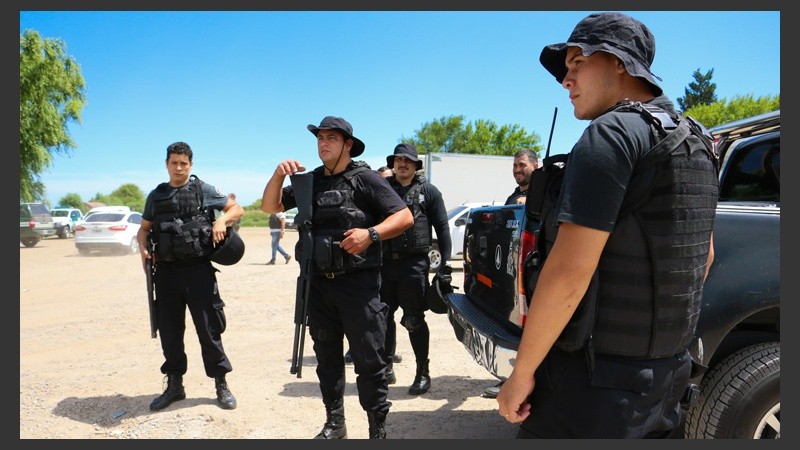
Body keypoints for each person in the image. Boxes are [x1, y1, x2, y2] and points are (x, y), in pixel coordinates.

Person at [496, 12, 718, 438]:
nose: (566, 79)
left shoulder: (612, 133)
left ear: (620, 62)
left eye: (578, 62)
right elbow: (702, 256)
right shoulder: (697, 140)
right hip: (666, 378)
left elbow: (569, 272)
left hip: (595, 385)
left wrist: (521, 373)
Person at [260, 116, 413, 439]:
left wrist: (370, 234)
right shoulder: (308, 182)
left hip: (358, 286)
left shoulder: (366, 179)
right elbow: (269, 206)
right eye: (319, 138)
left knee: (370, 360)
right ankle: (335, 422)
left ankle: (377, 427)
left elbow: (404, 216)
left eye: (330, 137)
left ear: (347, 144)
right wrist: (277, 175)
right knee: (327, 359)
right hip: (318, 285)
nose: (323, 143)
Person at [137, 141, 245, 412]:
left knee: (209, 330)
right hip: (166, 273)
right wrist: (142, 249)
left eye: (183, 163)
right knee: (170, 332)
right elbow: (144, 229)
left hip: (198, 271)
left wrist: (221, 220)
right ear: (166, 164)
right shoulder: (156, 196)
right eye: (174, 163)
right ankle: (175, 385)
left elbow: (236, 209)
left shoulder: (202, 189)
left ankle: (221, 383)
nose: (178, 168)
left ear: (191, 165)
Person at [380, 143, 452, 395]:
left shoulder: (429, 192)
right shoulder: (382, 189)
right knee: (382, 318)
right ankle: (386, 367)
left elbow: (442, 228)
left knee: (413, 320)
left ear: (415, 164)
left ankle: (423, 372)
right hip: (384, 264)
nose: (402, 164)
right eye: (398, 159)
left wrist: (444, 265)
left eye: (408, 160)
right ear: (393, 163)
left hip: (413, 266)